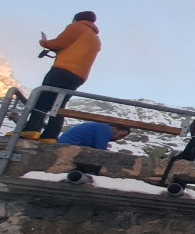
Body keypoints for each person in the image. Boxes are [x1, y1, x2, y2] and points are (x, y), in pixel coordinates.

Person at [20, 11, 102, 142]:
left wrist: (44, 42)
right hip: (78, 76)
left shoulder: (77, 27)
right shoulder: (95, 39)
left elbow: (58, 42)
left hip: (62, 70)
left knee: (42, 99)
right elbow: (73, 49)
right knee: (58, 105)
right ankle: (50, 136)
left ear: (77, 19)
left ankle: (31, 130)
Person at [58, 122, 130, 150]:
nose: (118, 139)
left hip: (65, 142)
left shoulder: (100, 126)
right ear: (115, 128)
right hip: (70, 145)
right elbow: (100, 149)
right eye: (120, 135)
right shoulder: (105, 129)